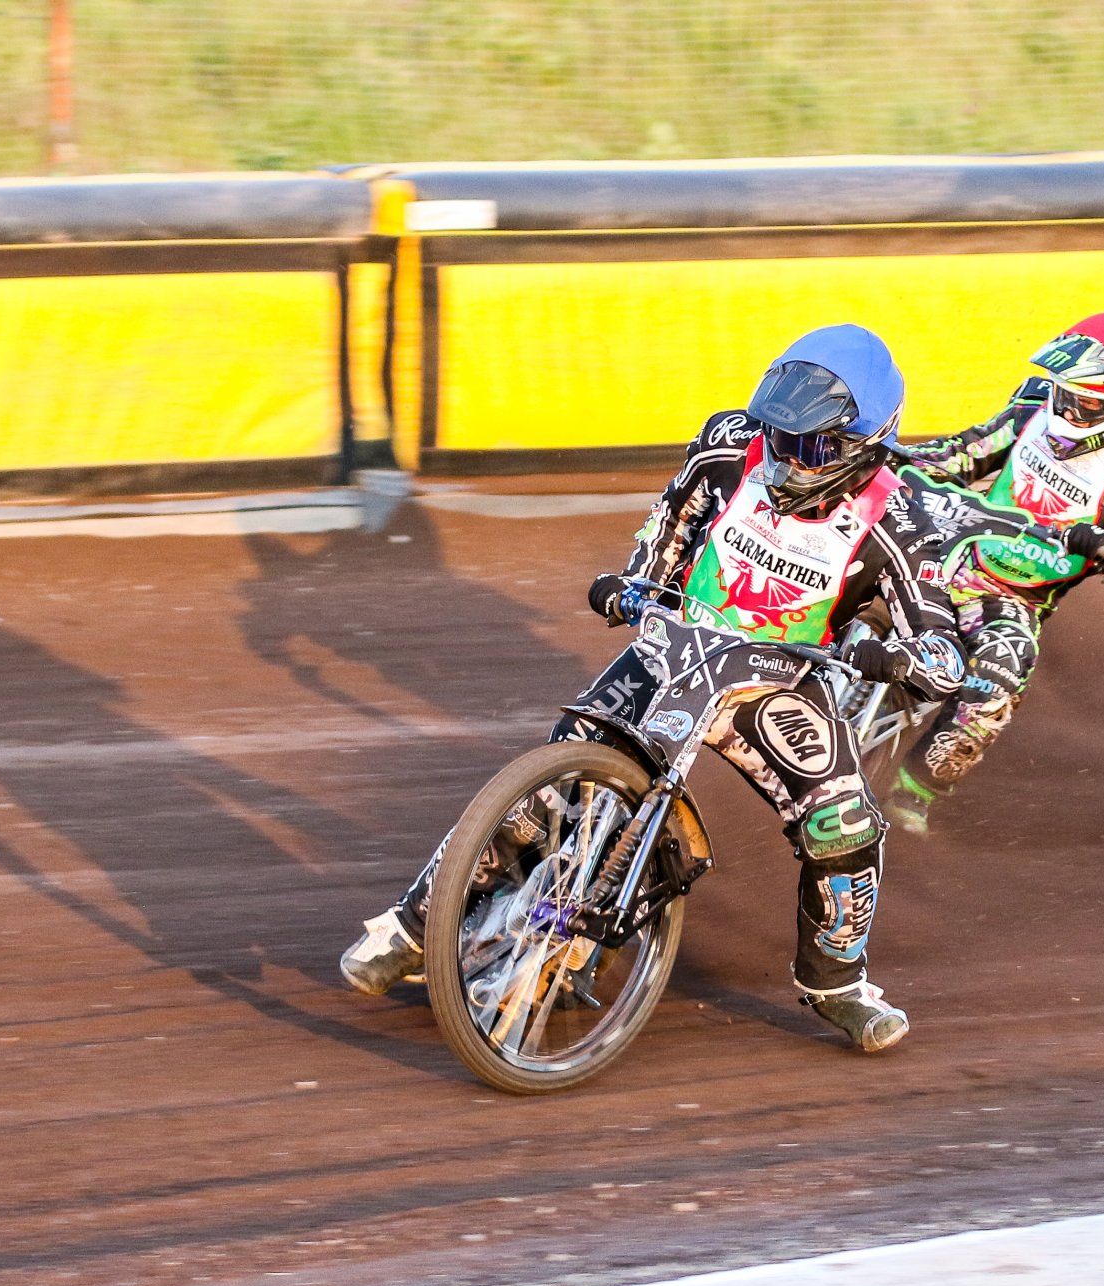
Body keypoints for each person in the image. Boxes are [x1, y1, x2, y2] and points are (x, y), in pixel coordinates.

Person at [340, 325, 964, 1052]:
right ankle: (416, 926)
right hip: (676, 651)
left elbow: (945, 648)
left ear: (866, 444)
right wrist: (635, 586)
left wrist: (895, 658)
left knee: (844, 824)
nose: (785, 457)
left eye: (810, 446)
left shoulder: (906, 517)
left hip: (777, 681)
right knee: (548, 786)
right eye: (779, 434)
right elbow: (671, 521)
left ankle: (836, 984)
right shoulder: (732, 443)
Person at [887, 311, 1104, 834]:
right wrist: (892, 460)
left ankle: (914, 792)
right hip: (945, 543)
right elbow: (965, 453)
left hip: (1009, 597)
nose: (1069, 408)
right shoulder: (1032, 406)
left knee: (1002, 672)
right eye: (1065, 392)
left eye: (1089, 401)